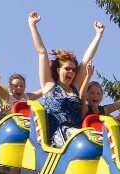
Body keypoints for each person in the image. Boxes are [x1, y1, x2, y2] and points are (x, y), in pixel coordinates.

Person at [28, 11, 105, 147]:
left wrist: (98, 35)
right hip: (59, 135)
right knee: (84, 137)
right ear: (58, 70)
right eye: (67, 69)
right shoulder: (49, 86)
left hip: (77, 135)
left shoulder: (74, 88)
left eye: (73, 70)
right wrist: (33, 25)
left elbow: (86, 60)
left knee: (97, 140)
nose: (71, 72)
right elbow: (42, 52)